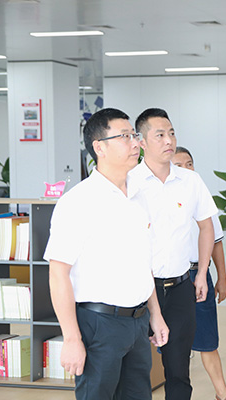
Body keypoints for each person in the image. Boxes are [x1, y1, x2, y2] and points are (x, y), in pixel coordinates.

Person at [45, 108, 169, 399]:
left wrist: (156, 314)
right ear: (99, 147)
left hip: (138, 322)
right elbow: (58, 273)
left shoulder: (139, 195)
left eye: (134, 136)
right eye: (125, 137)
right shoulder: (78, 202)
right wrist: (72, 338)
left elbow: (144, 264)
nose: (135, 143)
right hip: (99, 324)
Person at [128, 108, 218, 400]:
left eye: (171, 133)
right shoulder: (129, 181)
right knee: (135, 369)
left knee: (178, 369)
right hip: (139, 289)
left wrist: (201, 273)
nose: (169, 140)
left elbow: (206, 227)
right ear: (142, 141)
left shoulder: (191, 180)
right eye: (160, 135)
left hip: (180, 287)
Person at [171, 146, 226, 400]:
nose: (186, 169)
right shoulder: (161, 197)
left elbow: (215, 241)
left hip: (198, 275)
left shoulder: (201, 196)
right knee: (171, 344)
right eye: (179, 165)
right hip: (171, 278)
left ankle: (223, 393)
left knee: (207, 338)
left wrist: (222, 278)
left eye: (189, 164)